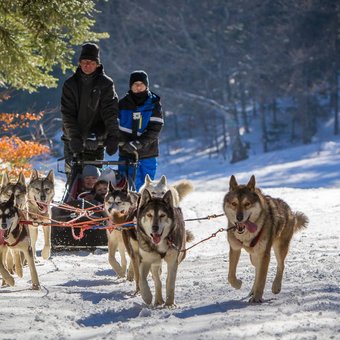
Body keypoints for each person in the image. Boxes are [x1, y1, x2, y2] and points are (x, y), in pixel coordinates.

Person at [61, 42, 119, 180]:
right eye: (84, 62)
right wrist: (74, 136)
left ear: (97, 64)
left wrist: (112, 135)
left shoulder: (106, 84)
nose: (87, 65)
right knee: (73, 179)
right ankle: (71, 200)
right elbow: (67, 114)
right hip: (73, 139)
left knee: (94, 180)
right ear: (80, 63)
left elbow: (110, 112)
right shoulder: (70, 84)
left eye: (91, 62)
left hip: (96, 140)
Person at [118, 70, 164, 191]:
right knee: (125, 187)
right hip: (126, 153)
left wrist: (138, 143)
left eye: (141, 83)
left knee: (145, 188)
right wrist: (120, 142)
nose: (138, 86)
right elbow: (114, 126)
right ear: (130, 86)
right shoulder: (122, 104)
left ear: (146, 85)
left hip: (146, 153)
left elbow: (155, 129)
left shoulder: (154, 104)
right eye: (135, 84)